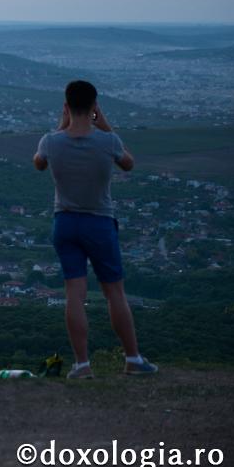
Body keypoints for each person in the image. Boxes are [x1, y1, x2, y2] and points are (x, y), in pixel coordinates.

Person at [33, 80, 158, 378]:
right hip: (99, 222)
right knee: (115, 293)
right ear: (94, 107)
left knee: (74, 294)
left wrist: (60, 124)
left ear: (65, 106)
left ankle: (82, 365)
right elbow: (128, 163)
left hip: (64, 221)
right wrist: (104, 125)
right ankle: (133, 359)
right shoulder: (108, 141)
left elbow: (38, 164)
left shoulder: (51, 142)